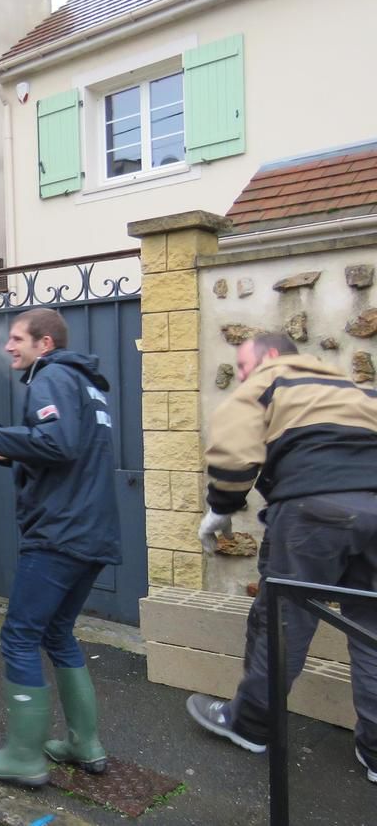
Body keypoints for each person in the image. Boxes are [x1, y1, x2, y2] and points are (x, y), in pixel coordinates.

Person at [186, 333, 377, 785]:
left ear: (271, 356)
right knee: (372, 633)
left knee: (282, 624)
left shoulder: (271, 380)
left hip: (312, 515)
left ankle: (250, 725)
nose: (245, 374)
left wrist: (221, 508)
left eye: (245, 365)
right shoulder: (360, 392)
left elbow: (233, 451)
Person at [0, 307, 121, 786]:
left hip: (59, 534)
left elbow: (59, 444)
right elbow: (69, 453)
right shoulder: (85, 383)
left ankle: (24, 757)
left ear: (43, 344)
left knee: (20, 636)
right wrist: (8, 454)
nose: (9, 346)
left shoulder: (51, 377)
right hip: (91, 532)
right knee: (58, 633)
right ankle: (83, 743)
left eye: (17, 338)